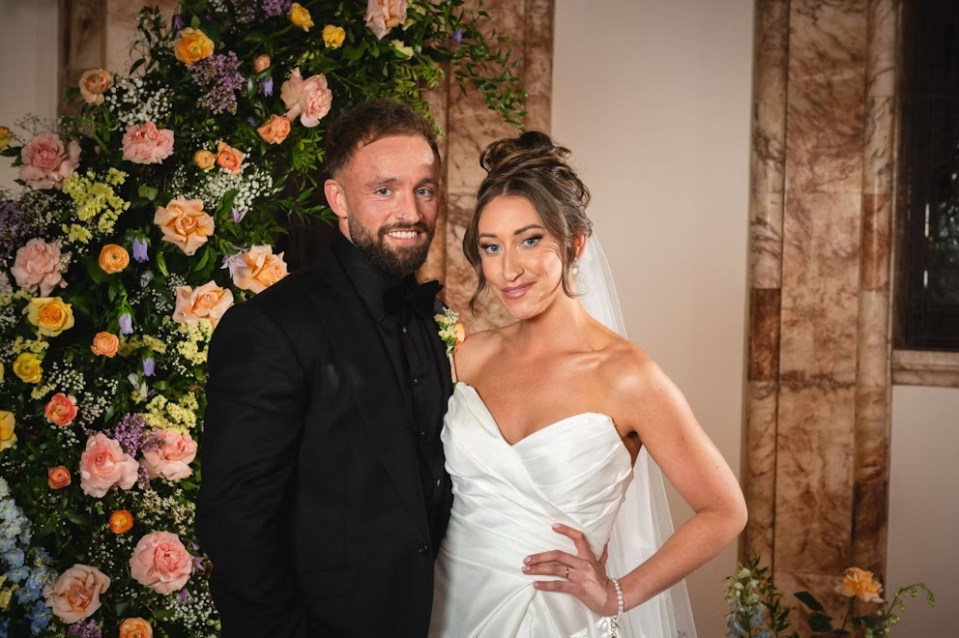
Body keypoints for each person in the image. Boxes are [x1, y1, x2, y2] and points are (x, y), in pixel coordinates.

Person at [429, 131, 748, 637]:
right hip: (449, 609)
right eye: (492, 247)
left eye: (529, 240)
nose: (508, 269)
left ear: (574, 243)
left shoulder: (628, 378)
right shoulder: (467, 355)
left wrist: (618, 593)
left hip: (560, 621)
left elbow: (725, 510)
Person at [197, 98, 454, 637]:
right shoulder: (270, 328)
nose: (410, 212)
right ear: (338, 198)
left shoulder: (436, 319)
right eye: (384, 190)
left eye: (424, 190)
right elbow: (237, 527)